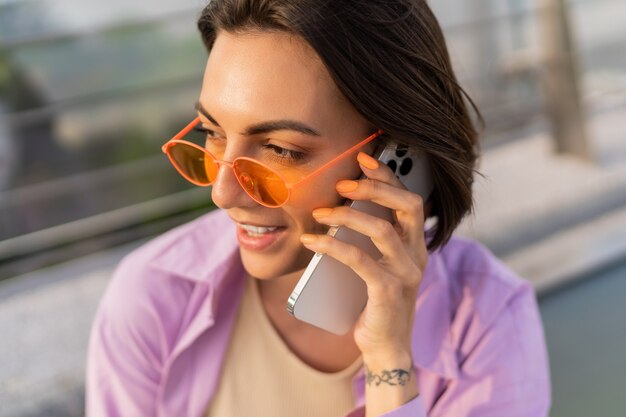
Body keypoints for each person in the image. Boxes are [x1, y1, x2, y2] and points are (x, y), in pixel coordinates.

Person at [85, 1, 551, 416]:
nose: (223, 193)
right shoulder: (152, 296)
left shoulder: (486, 319)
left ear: (399, 152)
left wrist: (390, 363)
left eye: (281, 150)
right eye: (212, 132)